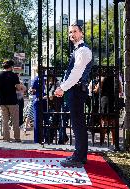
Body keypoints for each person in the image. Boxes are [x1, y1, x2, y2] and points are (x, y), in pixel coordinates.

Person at [54, 23, 92, 167]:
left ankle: (78, 157)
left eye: (75, 32)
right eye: (70, 33)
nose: (72, 35)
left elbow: (76, 73)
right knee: (78, 124)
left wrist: (62, 88)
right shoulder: (78, 50)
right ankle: (80, 155)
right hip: (75, 90)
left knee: (78, 124)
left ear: (81, 33)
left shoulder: (82, 50)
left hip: (76, 90)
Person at [0, 60, 22, 142]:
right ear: (11, 67)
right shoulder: (14, 76)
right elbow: (19, 88)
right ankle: (17, 138)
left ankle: (6, 138)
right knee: (15, 120)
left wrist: (1, 89)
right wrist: (13, 88)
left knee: (4, 121)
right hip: (12, 101)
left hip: (2, 101)